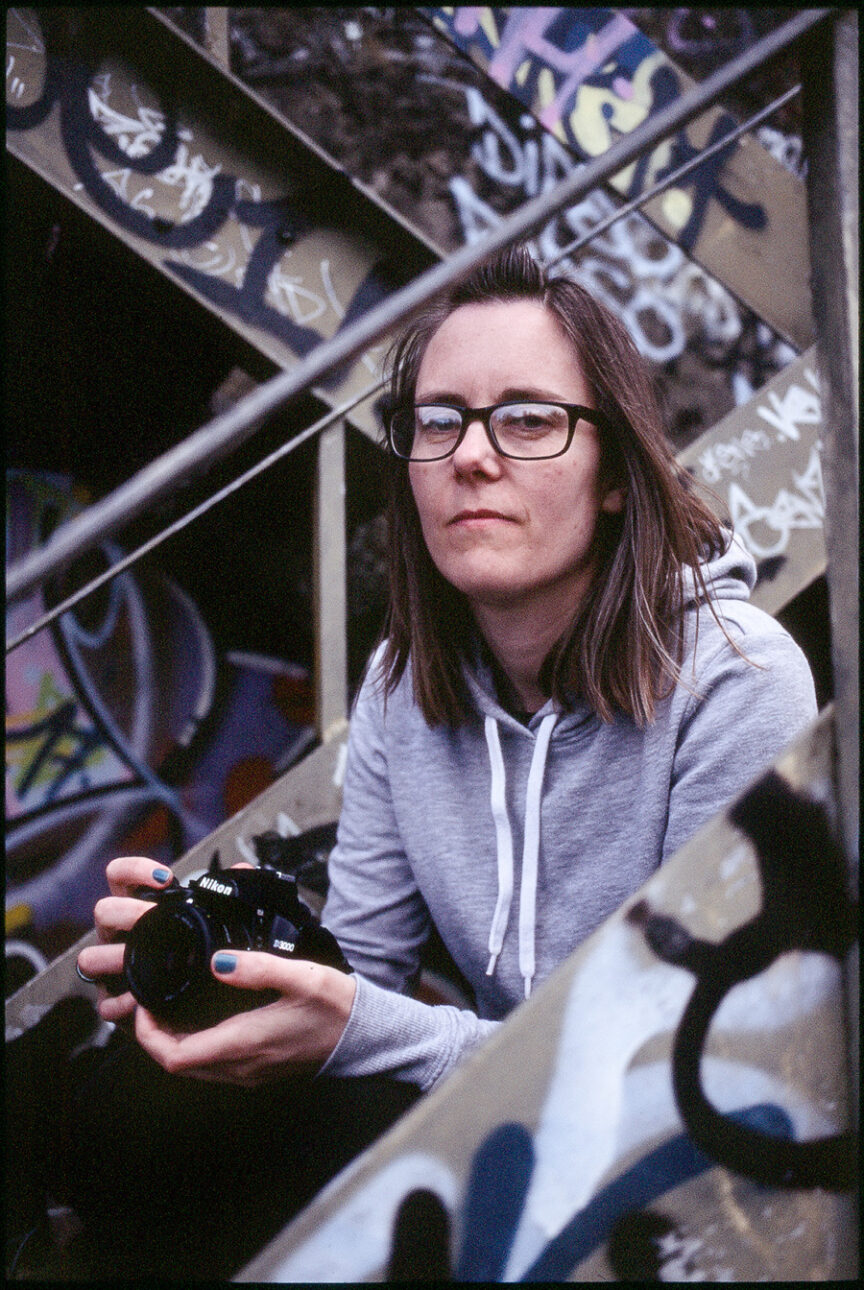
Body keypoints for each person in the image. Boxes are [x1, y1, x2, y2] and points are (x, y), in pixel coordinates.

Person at [73, 243, 817, 1272]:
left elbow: (681, 1062)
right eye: (439, 421)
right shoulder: (402, 683)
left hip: (684, 1163)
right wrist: (228, 973)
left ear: (614, 474)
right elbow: (362, 975)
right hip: (502, 1119)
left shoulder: (736, 680)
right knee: (125, 1109)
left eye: (527, 419)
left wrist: (369, 1030)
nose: (472, 455)